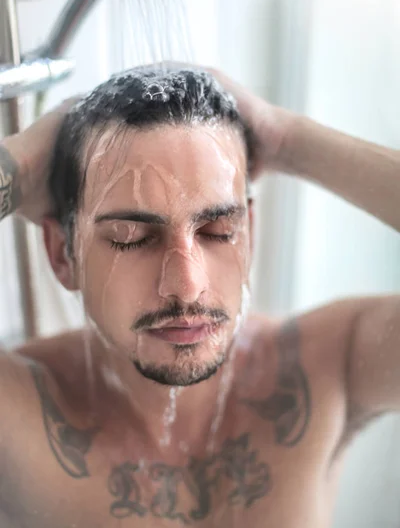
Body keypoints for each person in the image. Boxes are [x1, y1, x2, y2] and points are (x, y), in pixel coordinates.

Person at [0, 64, 398, 528]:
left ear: (249, 232)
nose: (187, 286)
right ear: (62, 254)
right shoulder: (20, 416)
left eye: (218, 230)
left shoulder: (330, 365)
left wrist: (289, 139)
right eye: (131, 237)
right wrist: (20, 166)